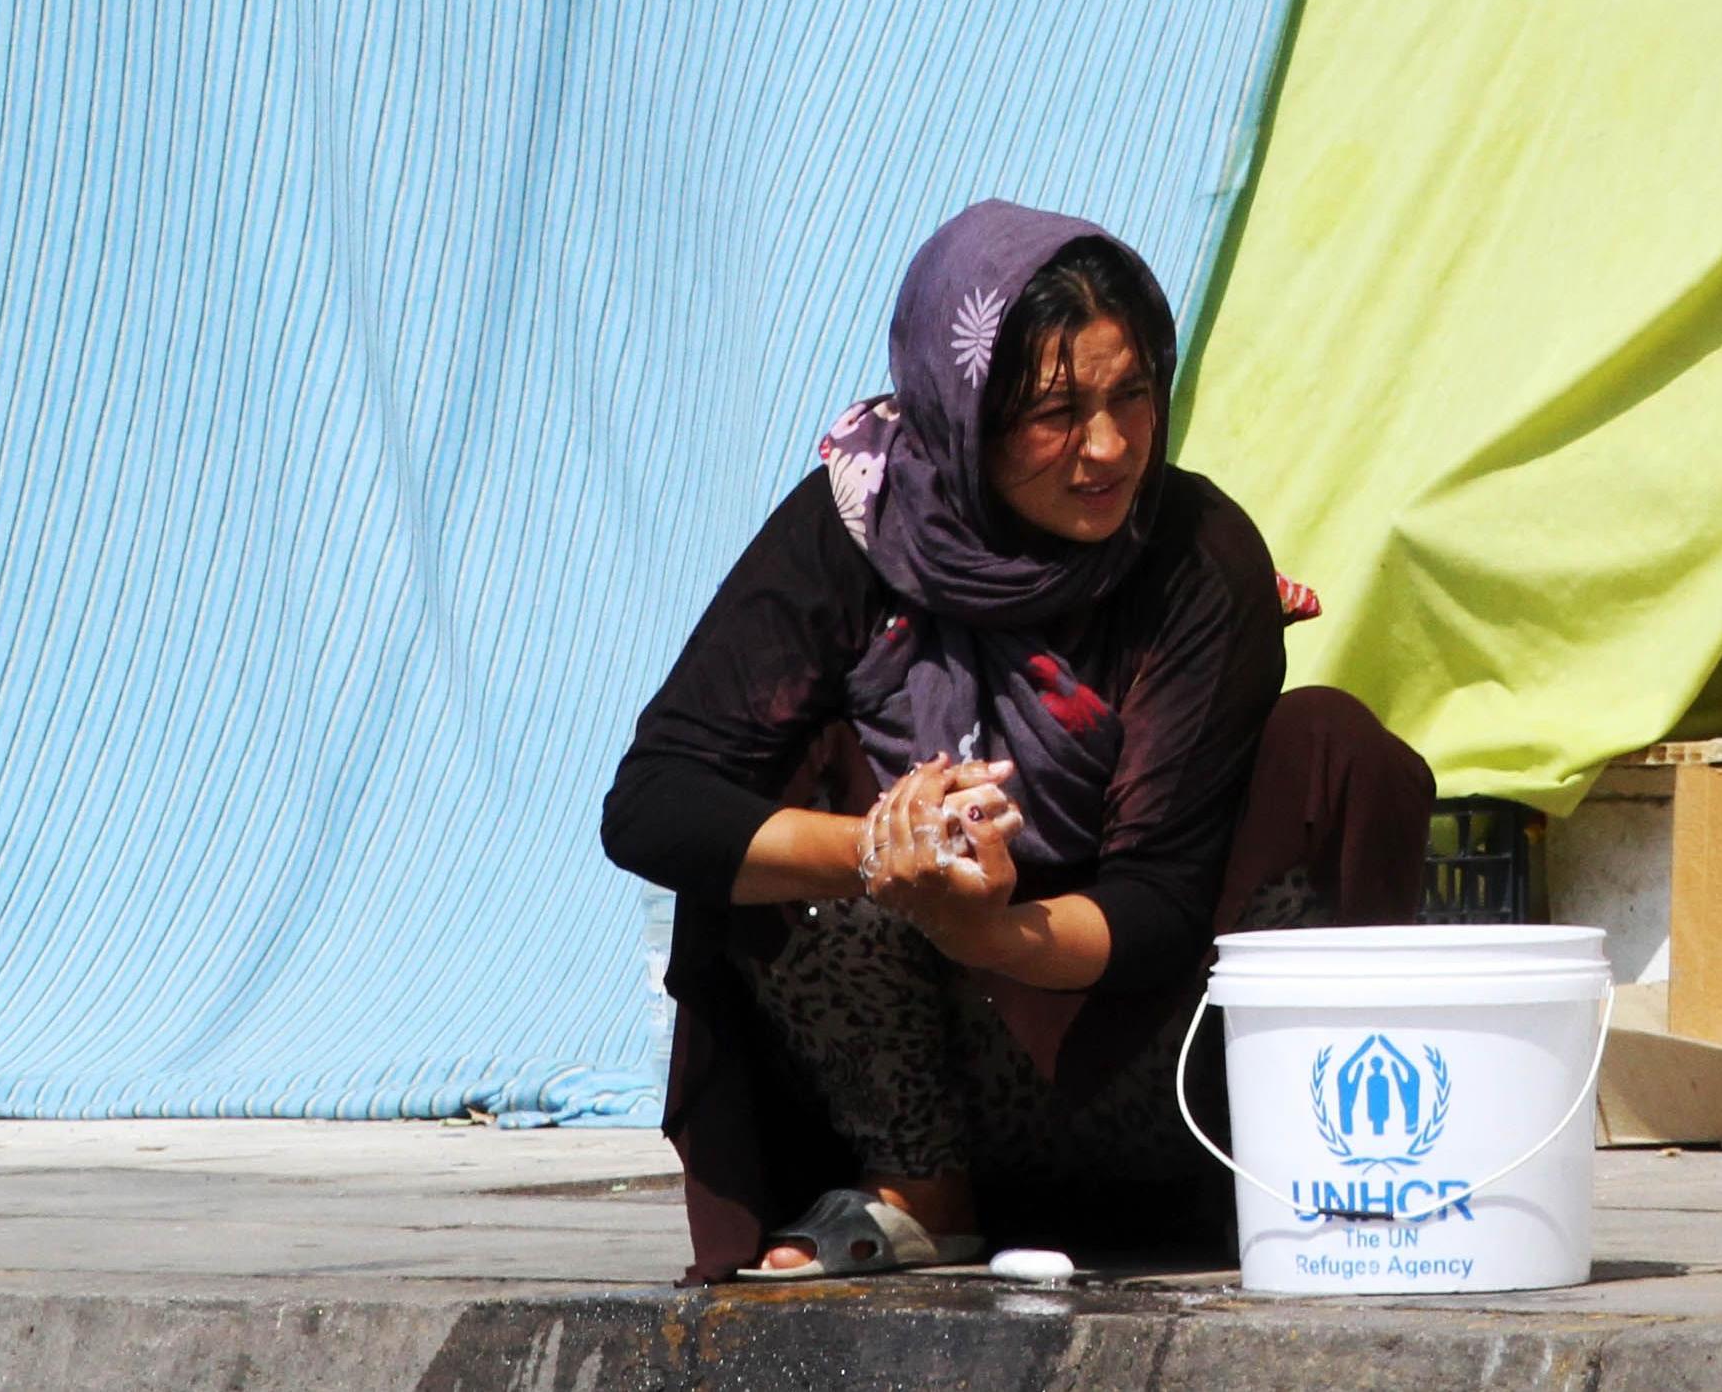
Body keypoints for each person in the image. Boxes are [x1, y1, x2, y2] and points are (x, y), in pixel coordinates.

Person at [602, 200, 1433, 1283]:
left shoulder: (1191, 555)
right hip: (920, 1078)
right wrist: (884, 854)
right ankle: (920, 1195)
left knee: (1330, 746)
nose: (1107, 447)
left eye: (1131, 394)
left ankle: (1324, 1170)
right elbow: (653, 800)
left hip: (1151, 1077)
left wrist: (987, 926)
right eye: (1054, 411)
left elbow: (1159, 903)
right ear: (961, 410)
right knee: (784, 785)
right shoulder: (853, 530)